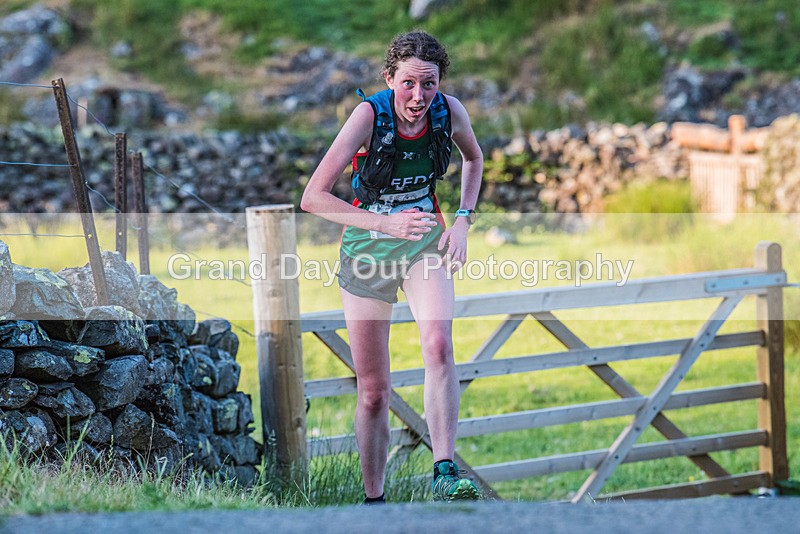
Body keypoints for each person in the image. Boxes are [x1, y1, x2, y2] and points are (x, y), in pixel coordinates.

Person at [301, 30, 483, 504]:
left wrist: (463, 219)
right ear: (389, 78)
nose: (419, 96)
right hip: (367, 247)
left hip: (424, 241)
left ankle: (444, 472)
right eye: (408, 83)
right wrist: (383, 222)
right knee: (374, 390)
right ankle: (375, 502)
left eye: (429, 84)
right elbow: (313, 197)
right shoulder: (368, 116)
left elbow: (474, 158)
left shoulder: (450, 112)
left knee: (439, 344)